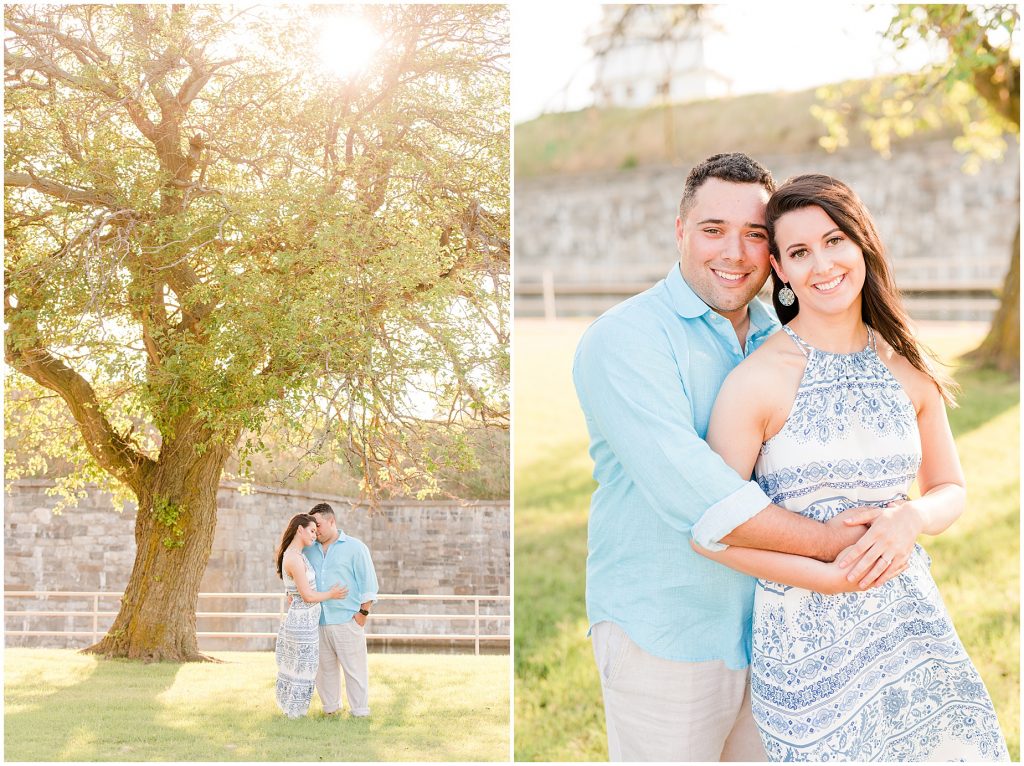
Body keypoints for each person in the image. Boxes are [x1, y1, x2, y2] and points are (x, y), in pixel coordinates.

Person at [573, 153, 919, 762]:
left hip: (780, 632)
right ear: (681, 230)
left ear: (773, 253)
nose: (734, 252)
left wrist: (903, 517)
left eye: (755, 234)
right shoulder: (626, 339)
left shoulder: (781, 337)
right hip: (669, 630)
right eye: (713, 230)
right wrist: (838, 542)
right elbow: (703, 496)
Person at [691, 174, 1008, 761]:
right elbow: (710, 534)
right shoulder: (757, 382)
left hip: (912, 627)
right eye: (799, 252)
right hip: (808, 650)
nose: (823, 264)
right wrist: (830, 577)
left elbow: (950, 487)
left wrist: (910, 518)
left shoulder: (910, 366)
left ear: (862, 243)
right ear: (780, 270)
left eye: (835, 240)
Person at [306, 502, 379, 718]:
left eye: (318, 525)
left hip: (348, 620)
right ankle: (331, 710)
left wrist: (362, 615)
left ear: (331, 521)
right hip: (319, 621)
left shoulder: (356, 547)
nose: (315, 530)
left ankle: (359, 712)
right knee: (325, 671)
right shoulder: (309, 550)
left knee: (354, 671)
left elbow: (369, 585)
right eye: (312, 526)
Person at [274, 512, 348, 719]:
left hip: (304, 620)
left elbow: (297, 589)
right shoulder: (294, 558)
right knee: (301, 668)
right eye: (312, 531)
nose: (315, 535)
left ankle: (293, 711)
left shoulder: (296, 555)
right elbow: (307, 595)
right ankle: (294, 712)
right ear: (300, 529)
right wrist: (332, 594)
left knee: (300, 666)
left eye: (317, 531)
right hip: (301, 622)